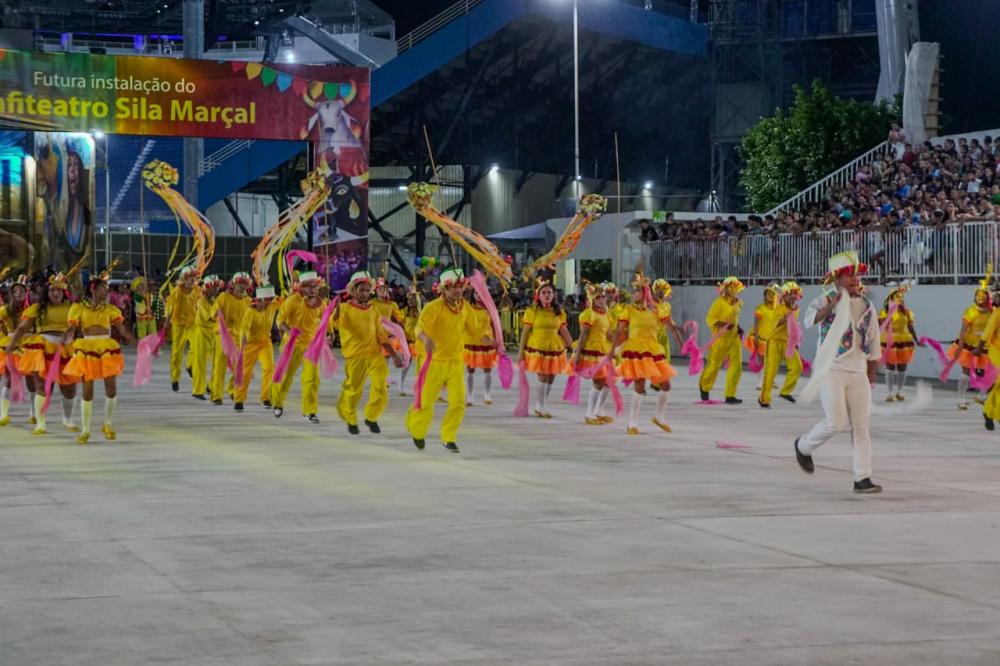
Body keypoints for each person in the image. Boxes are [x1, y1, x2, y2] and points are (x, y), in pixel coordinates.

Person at [794, 251, 882, 494]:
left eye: (856, 275)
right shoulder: (825, 299)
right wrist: (832, 304)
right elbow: (810, 321)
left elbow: (874, 340)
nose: (854, 279)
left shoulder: (867, 304)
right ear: (837, 279)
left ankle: (862, 477)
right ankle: (803, 446)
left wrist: (872, 372)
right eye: (848, 275)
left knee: (861, 426)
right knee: (836, 422)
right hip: (831, 368)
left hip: (857, 370)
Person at [406, 268, 490, 452]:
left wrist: (493, 342)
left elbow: (475, 333)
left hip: (455, 362)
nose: (458, 291)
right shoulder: (433, 307)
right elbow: (418, 329)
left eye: (461, 287)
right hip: (433, 362)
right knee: (425, 403)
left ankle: (449, 437)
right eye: (454, 288)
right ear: (444, 289)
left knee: (458, 403)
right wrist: (426, 339)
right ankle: (418, 430)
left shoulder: (466, 308)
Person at [62, 272, 136, 444]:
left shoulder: (110, 309)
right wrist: (66, 337)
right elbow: (72, 328)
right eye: (104, 288)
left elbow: (122, 329)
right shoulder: (78, 308)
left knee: (111, 389)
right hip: (87, 348)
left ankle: (108, 424)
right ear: (94, 289)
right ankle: (86, 430)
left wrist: (136, 343)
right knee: (87, 391)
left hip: (106, 348)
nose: (107, 292)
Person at [8, 272, 78, 435]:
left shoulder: (71, 308)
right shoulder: (37, 309)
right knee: (42, 386)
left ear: (63, 292)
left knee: (69, 389)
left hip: (65, 349)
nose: (55, 293)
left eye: (59, 291)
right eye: (52, 290)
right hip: (42, 347)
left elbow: (75, 327)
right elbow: (22, 328)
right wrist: (12, 344)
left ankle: (67, 419)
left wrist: (69, 335)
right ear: (47, 292)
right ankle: (41, 423)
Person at [334, 271, 402, 434]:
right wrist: (336, 308)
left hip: (375, 355)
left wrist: (394, 355)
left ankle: (371, 417)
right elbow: (336, 324)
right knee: (353, 391)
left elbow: (381, 336)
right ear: (353, 291)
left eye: (367, 290)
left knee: (380, 388)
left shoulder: (373, 311)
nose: (365, 293)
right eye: (361, 290)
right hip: (355, 357)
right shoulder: (344, 308)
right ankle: (350, 418)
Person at [609, 273, 678, 434]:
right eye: (633, 291)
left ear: (646, 293)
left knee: (666, 384)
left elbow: (669, 324)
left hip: (653, 350)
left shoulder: (656, 310)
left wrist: (678, 332)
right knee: (639, 385)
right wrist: (612, 350)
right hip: (636, 350)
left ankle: (658, 417)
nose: (634, 294)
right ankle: (632, 423)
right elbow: (620, 331)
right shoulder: (629, 310)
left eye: (637, 291)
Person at [271, 272, 329, 423]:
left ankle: (310, 411)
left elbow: (325, 322)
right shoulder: (292, 301)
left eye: (315, 286)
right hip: (292, 344)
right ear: (302, 287)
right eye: (309, 286)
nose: (312, 289)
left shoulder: (321, 303)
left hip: (311, 345)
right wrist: (290, 332)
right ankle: (277, 402)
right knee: (285, 377)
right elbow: (280, 320)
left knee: (312, 379)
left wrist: (329, 334)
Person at [518, 277, 572, 418]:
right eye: (544, 293)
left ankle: (541, 403)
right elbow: (525, 332)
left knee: (551, 377)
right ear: (539, 296)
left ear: (554, 295)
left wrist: (572, 346)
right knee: (542, 376)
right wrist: (520, 351)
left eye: (549, 292)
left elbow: (564, 331)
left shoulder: (559, 312)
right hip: (538, 346)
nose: (547, 295)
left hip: (554, 346)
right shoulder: (532, 311)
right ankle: (541, 406)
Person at [571, 283, 613, 425]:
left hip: (603, 350)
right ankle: (589, 414)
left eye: (603, 297)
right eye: (598, 298)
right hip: (592, 351)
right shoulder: (589, 314)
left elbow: (608, 334)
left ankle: (598, 410)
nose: (602, 300)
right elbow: (583, 336)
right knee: (598, 382)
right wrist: (578, 355)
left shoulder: (606, 314)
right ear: (592, 300)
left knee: (608, 381)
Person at [698, 276, 745, 404]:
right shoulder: (718, 302)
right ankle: (704, 387)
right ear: (725, 288)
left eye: (735, 287)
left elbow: (734, 320)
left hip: (734, 339)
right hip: (720, 339)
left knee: (737, 367)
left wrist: (738, 328)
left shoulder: (739, 303)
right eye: (730, 287)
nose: (733, 290)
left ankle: (730, 395)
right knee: (714, 365)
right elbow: (710, 319)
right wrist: (723, 324)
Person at [948, 277, 992, 410]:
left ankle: (982, 396)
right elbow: (963, 330)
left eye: (983, 295)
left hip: (984, 345)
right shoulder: (970, 311)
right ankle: (961, 399)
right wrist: (960, 346)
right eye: (978, 295)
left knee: (988, 372)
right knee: (965, 372)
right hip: (968, 343)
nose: (980, 298)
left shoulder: (991, 312)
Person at [759, 281, 805, 407]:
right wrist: (784, 318)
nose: (792, 297)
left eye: (794, 295)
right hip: (774, 341)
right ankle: (764, 398)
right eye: (789, 295)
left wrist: (795, 342)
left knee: (797, 367)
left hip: (787, 343)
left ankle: (785, 392)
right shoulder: (779, 307)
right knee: (771, 371)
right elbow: (776, 324)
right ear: (784, 296)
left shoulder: (795, 309)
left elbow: (793, 327)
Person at [234, 284, 278, 412]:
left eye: (271, 299)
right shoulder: (250, 312)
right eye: (268, 299)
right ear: (260, 299)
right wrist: (244, 337)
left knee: (269, 368)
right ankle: (239, 399)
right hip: (250, 345)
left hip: (265, 342)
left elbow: (287, 301)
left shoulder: (272, 305)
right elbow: (244, 327)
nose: (270, 302)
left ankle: (266, 397)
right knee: (245, 373)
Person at [210, 273, 251, 404]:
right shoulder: (223, 297)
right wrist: (217, 312)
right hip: (222, 336)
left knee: (239, 366)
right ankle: (217, 395)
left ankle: (232, 389)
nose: (242, 287)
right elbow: (213, 309)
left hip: (238, 338)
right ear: (234, 284)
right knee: (219, 366)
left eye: (245, 284)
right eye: (240, 284)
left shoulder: (248, 301)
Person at [879, 284, 922, 402]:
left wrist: (917, 340)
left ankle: (899, 392)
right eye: (897, 297)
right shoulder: (884, 312)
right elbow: (881, 326)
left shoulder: (907, 312)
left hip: (904, 340)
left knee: (902, 367)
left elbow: (911, 327)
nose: (900, 300)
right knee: (890, 367)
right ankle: (890, 393)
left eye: (901, 298)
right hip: (889, 341)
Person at [165, 266, 202, 393]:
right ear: (184, 279)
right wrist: (166, 319)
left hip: (192, 323)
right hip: (178, 325)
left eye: (194, 278)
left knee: (197, 347)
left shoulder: (198, 290)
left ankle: (190, 365)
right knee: (176, 353)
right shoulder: (177, 291)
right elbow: (169, 305)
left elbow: (203, 303)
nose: (192, 280)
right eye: (190, 278)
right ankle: (175, 378)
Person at [0, 277, 30, 426]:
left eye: (22, 290)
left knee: (32, 381)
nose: (19, 293)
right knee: (9, 379)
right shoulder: (5, 310)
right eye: (16, 290)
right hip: (9, 345)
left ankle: (33, 413)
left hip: (28, 347)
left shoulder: (30, 310)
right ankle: (3, 414)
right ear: (11, 293)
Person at [191, 275, 224, 401]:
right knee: (201, 362)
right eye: (213, 286)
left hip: (214, 332)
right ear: (207, 287)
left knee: (217, 361)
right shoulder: (201, 301)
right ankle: (198, 390)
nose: (216, 289)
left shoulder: (215, 300)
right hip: (202, 331)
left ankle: (211, 386)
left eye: (217, 287)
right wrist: (219, 314)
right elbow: (209, 316)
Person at [464, 287, 498, 406]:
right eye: (476, 293)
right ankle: (470, 394)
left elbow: (495, 325)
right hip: (471, 341)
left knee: (488, 369)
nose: (478, 295)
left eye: (481, 293)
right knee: (470, 369)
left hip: (487, 341)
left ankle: (487, 393)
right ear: (473, 295)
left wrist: (497, 339)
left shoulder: (490, 309)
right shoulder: (468, 307)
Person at [399, 286, 422, 396]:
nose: (411, 301)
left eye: (413, 299)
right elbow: (400, 323)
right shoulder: (404, 312)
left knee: (420, 364)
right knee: (407, 364)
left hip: (418, 341)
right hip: (408, 341)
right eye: (409, 299)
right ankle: (401, 385)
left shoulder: (421, 313)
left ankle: (419, 386)